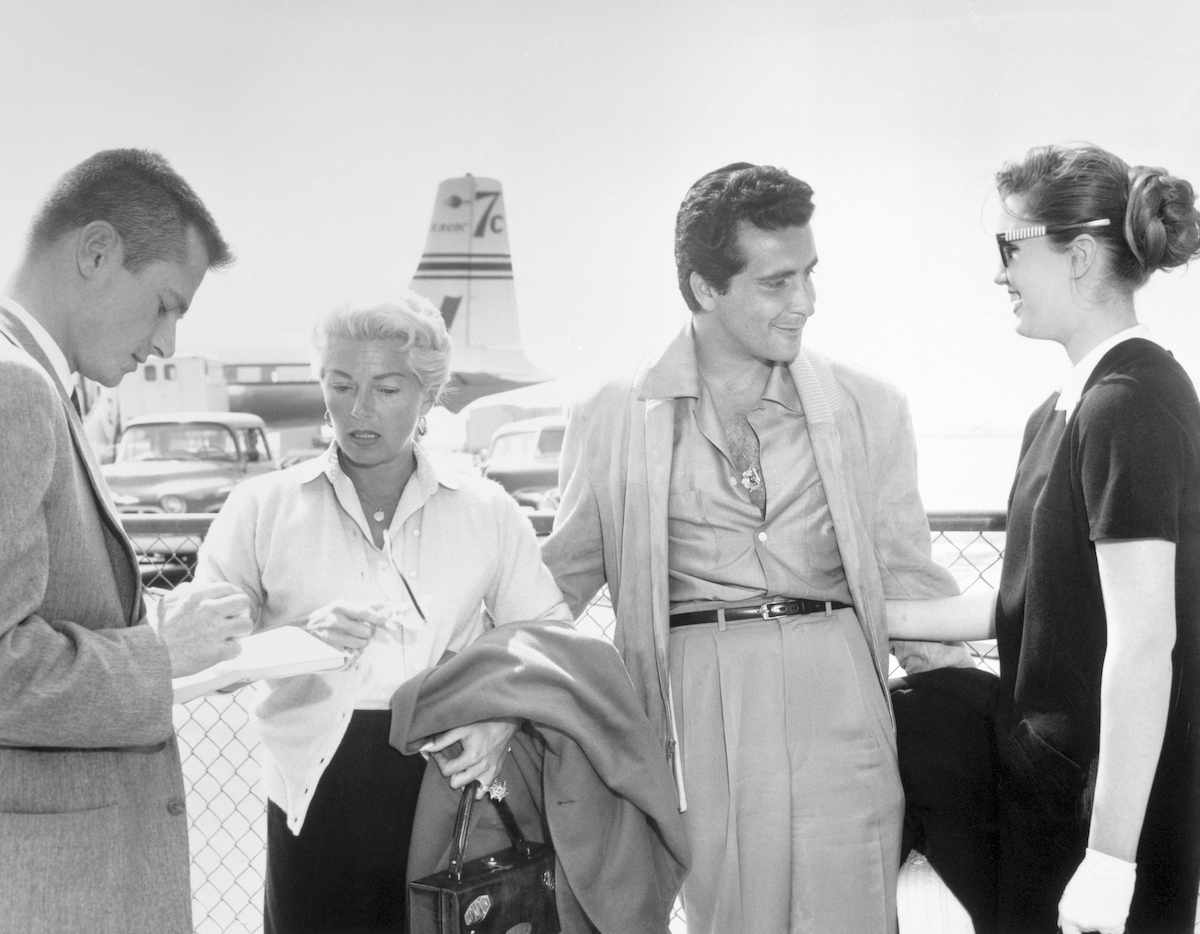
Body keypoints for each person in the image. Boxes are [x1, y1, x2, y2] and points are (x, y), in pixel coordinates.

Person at [541, 162, 966, 934]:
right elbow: (553, 586)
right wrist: (478, 690)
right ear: (706, 288)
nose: (803, 302)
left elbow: (912, 579)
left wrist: (989, 719)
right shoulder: (611, 411)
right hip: (696, 702)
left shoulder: (869, 405)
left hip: (841, 690)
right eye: (776, 283)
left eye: (808, 275)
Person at [889, 143, 1200, 933]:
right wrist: (865, 607)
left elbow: (1143, 644)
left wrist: (1110, 862)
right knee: (919, 714)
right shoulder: (1063, 409)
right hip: (1046, 789)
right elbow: (1033, 600)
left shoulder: (1129, 404)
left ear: (1082, 255)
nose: (999, 275)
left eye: (1010, 248)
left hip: (1099, 814)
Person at [194, 293, 575, 934]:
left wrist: (504, 718)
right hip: (314, 793)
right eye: (340, 384)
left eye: (387, 388)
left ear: (429, 397)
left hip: (451, 782)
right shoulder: (261, 506)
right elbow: (206, 656)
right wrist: (297, 640)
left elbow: (549, 639)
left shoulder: (487, 509)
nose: (358, 409)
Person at [0, 149, 255, 934]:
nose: (168, 345)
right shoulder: (16, 390)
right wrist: (162, 655)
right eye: (166, 306)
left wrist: (170, 621)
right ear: (97, 253)